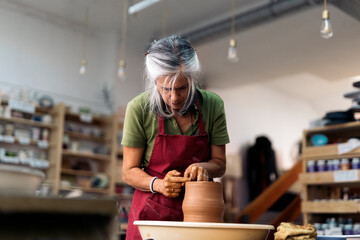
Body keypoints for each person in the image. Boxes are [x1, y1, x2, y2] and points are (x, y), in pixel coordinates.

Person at [121, 35, 230, 240]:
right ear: (155, 81)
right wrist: (158, 184)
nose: (174, 98)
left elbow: (220, 163)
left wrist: (205, 168)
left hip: (200, 218)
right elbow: (128, 171)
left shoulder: (212, 105)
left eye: (182, 88)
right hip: (152, 215)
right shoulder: (138, 108)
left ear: (192, 79)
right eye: (166, 89)